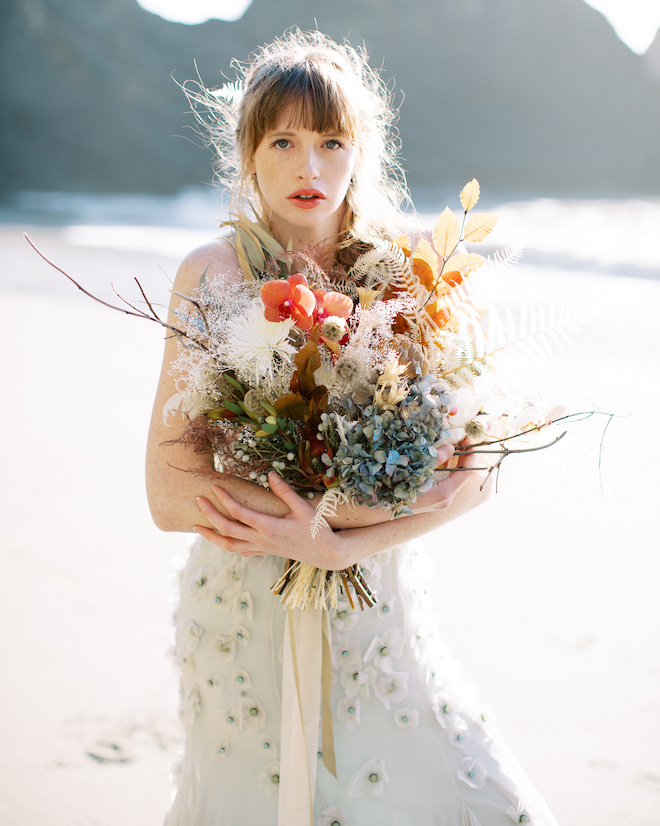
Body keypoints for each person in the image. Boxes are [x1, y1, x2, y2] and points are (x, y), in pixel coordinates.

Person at [146, 29, 558, 826]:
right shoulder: (212, 273)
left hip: (378, 606)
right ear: (249, 152)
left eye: (332, 140)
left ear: (359, 149)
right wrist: (304, 526)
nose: (309, 167)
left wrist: (341, 542)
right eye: (285, 140)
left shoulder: (412, 275)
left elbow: (476, 469)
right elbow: (168, 493)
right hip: (244, 600)